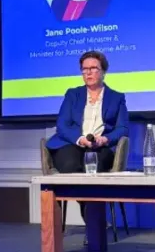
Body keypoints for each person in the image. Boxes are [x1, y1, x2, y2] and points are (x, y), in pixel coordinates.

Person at [45, 50, 130, 215]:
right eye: (84, 69)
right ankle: (92, 217)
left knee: (93, 172)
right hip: (71, 144)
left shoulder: (116, 97)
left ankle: (93, 222)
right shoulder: (73, 94)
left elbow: (123, 128)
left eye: (93, 68)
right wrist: (80, 139)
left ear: (103, 71)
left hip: (100, 147)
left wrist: (105, 139)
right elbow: (62, 125)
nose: (88, 72)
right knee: (71, 166)